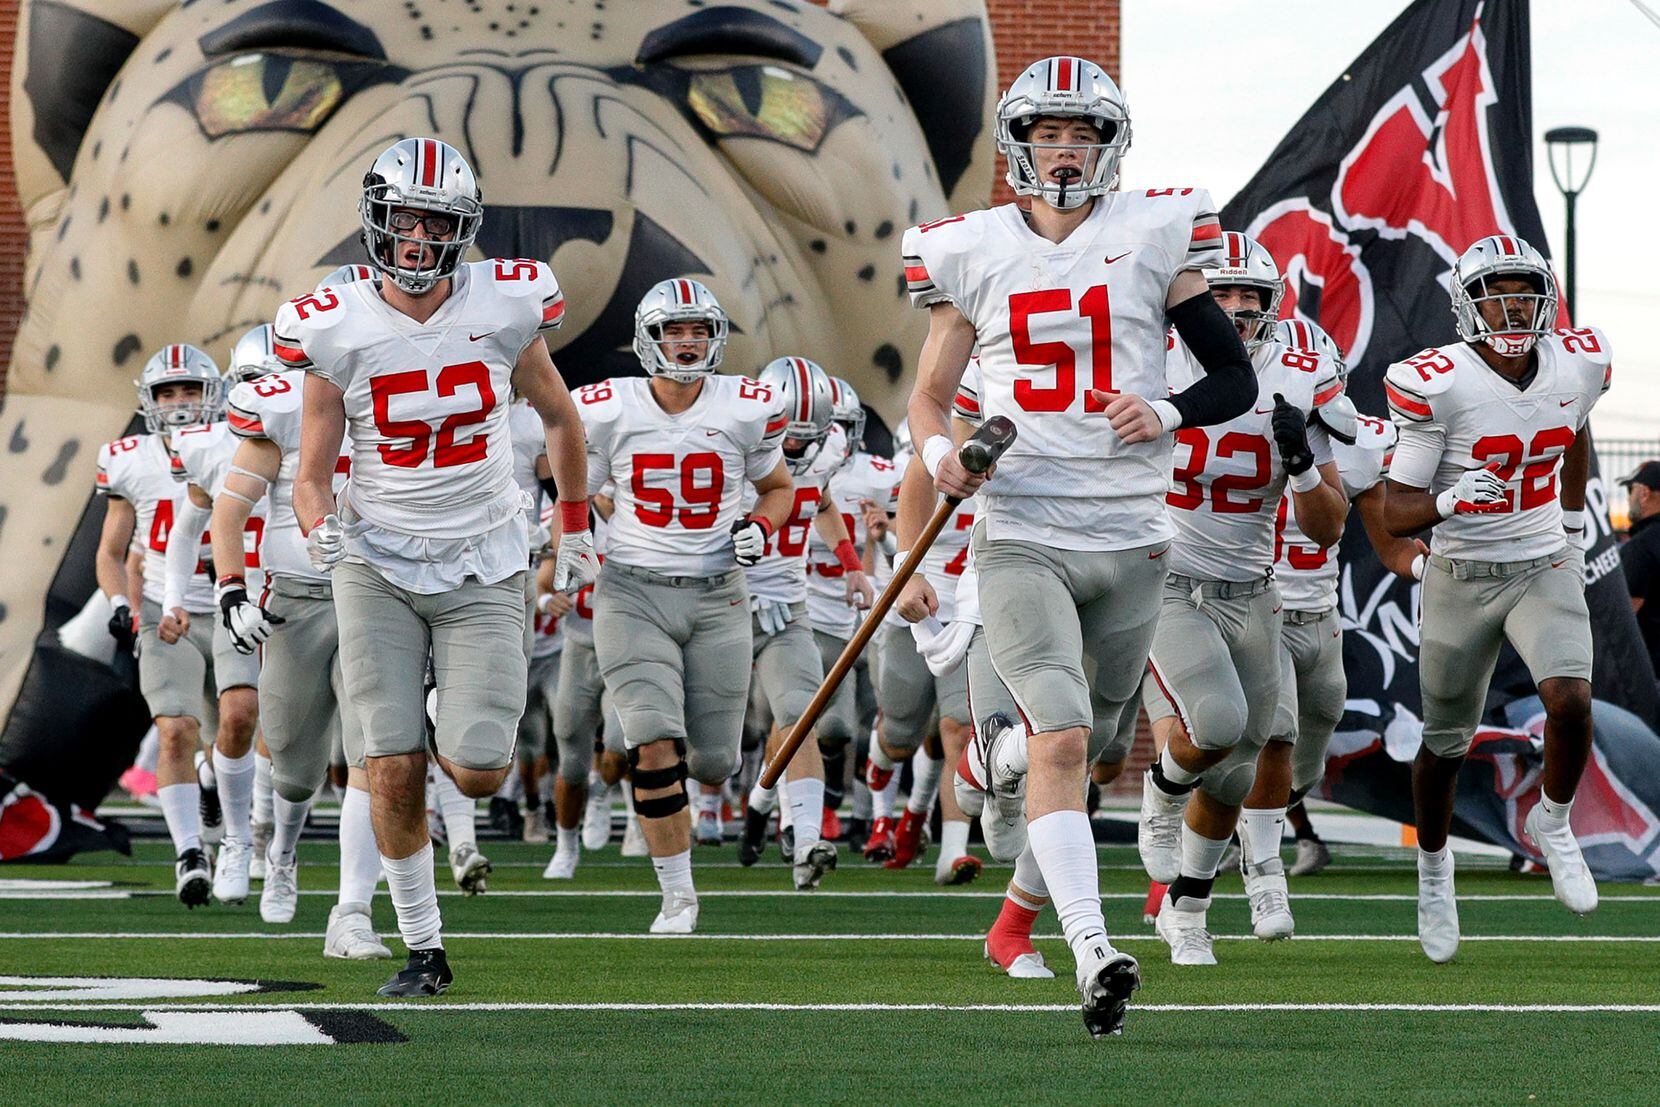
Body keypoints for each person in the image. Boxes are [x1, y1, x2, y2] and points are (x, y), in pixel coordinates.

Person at [903, 56, 1255, 1036]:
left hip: (1134, 540)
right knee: (1066, 739)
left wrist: (1169, 409)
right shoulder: (965, 248)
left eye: (1083, 134)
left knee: (1089, 751)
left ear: (1109, 145)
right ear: (1019, 144)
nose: (1065, 148)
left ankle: (997, 760)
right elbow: (927, 397)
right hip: (1025, 534)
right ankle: (1093, 950)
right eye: (1049, 132)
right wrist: (942, 456)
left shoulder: (1156, 231)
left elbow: (1233, 380)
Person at [284, 137, 597, 996]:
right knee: (386, 759)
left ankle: (439, 705)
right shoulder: (333, 325)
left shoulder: (505, 305)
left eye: (437, 222)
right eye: (405, 219)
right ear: (374, 222)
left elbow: (563, 422)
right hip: (377, 555)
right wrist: (319, 532)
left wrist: (573, 526)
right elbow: (312, 473)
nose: (418, 239)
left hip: (486, 555)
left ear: (463, 230)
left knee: (479, 766)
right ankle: (425, 948)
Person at [1384, 234, 1608, 964]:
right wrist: (1450, 497)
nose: (1511, 304)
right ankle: (1434, 868)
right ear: (1467, 304)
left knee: (1571, 698)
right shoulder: (1437, 382)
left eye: (1523, 290)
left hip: (1540, 561)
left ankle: (1554, 818)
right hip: (1461, 575)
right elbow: (1396, 509)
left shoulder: (1578, 361)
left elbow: (1571, 429)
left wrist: (1572, 529)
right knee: (1444, 744)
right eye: (1496, 292)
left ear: (1545, 299)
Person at [1130, 232, 1346, 965]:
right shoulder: (1148, 359)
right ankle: (1159, 792)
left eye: (1248, 299)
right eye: (1220, 296)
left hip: (1254, 587)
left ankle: (1188, 911)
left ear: (1271, 307)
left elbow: (1329, 525)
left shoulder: (1300, 373)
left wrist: (1302, 466)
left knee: (1240, 764)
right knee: (1216, 721)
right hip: (1167, 577)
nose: (1234, 310)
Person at [577, 277, 793, 932]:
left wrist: (761, 526)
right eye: (675, 329)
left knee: (712, 760)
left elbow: (777, 487)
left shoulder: (746, 406)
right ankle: (678, 893)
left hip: (719, 592)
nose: (689, 341)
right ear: (649, 338)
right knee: (653, 741)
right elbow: (573, 492)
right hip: (634, 590)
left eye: (699, 329)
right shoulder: (611, 408)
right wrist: (575, 546)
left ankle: (690, 807)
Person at [1227, 317, 1426, 935]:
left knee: (1302, 767)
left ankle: (1236, 816)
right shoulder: (1229, 430)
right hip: (1260, 607)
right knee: (1276, 736)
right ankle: (1264, 880)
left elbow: (1390, 543)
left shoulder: (1359, 442)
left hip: (1321, 619)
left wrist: (1435, 570)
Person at [214, 306, 393, 957]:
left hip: (376, 592)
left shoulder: (404, 385)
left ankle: (354, 908)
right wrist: (232, 589)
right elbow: (229, 511)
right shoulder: (281, 405)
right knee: (292, 764)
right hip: (294, 597)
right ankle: (280, 849)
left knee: (373, 747)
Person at [95, 344, 257, 907]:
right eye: (169, 392)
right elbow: (114, 551)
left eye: (191, 389)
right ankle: (190, 850)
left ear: (213, 394)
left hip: (240, 604)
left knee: (237, 726)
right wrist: (123, 604)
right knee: (174, 730)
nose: (181, 401)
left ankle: (214, 785)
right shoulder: (129, 458)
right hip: (168, 611)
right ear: (150, 401)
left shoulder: (240, 444)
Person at [735, 357, 874, 886]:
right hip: (723, 602)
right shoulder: (731, 443)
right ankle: (759, 802)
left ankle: (807, 840)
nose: (794, 449)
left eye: (806, 438)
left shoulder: (829, 449)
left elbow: (822, 501)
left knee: (799, 716)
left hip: (789, 604)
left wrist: (854, 566)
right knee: (716, 750)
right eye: (786, 439)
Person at [163, 331, 273, 908]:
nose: (273, 394)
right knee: (238, 715)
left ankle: (275, 848)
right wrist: (173, 600)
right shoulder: (210, 445)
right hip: (237, 600)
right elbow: (185, 532)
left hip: (307, 595)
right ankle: (237, 838)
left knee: (291, 743)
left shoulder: (334, 427)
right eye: (259, 383)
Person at [1618, 461, 1660, 676]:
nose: (1628, 498)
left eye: (1630, 490)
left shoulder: (1640, 547)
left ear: (1644, 493)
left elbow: (1624, 612)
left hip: (1649, 671)